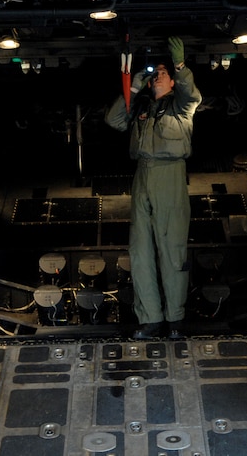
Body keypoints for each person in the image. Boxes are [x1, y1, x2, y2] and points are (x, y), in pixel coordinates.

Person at [105, 36, 202, 340]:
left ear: (172, 82)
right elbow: (114, 120)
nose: (158, 75)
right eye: (155, 72)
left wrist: (180, 65)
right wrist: (133, 88)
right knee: (141, 251)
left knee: (172, 248)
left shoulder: (182, 108)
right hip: (142, 176)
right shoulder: (142, 109)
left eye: (163, 73)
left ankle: (175, 319)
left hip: (169, 175)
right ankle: (150, 319)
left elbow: (190, 92)